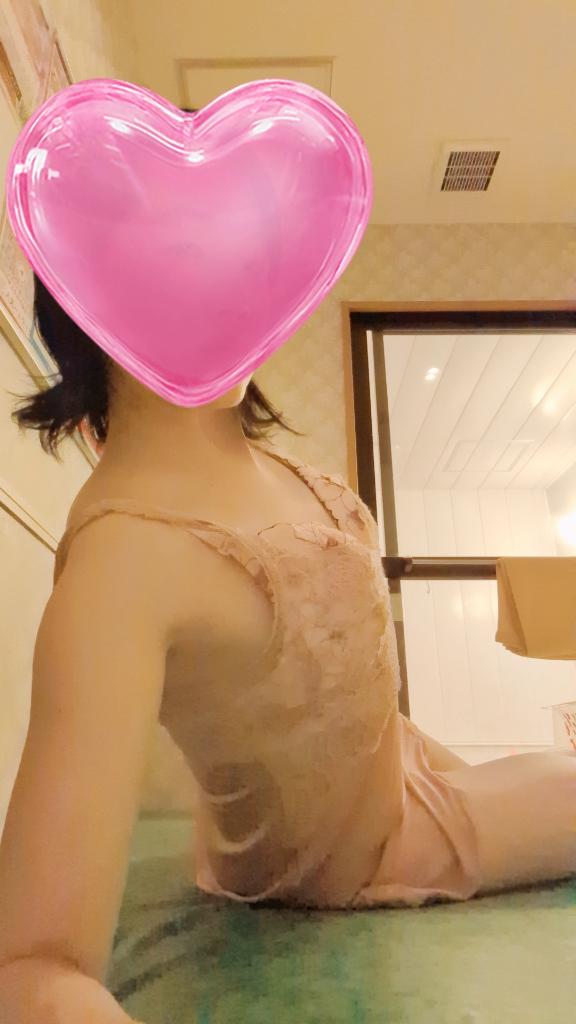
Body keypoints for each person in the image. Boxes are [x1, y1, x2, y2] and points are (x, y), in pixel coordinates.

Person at [1, 196, 576, 1024]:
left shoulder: (261, 466)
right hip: (362, 853)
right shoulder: (121, 562)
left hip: (402, 765)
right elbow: (33, 963)